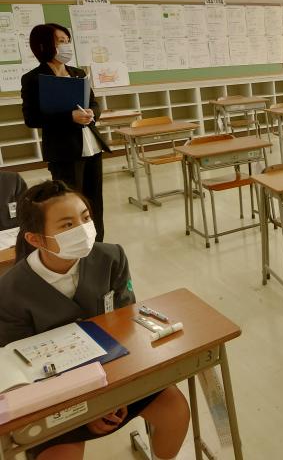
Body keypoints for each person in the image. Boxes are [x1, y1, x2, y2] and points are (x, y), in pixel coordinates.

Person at [0, 180, 189, 460]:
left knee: (176, 412)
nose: (83, 229)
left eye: (85, 218)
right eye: (67, 225)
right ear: (36, 239)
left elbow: (126, 326)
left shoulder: (111, 257)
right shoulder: (10, 291)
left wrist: (114, 394)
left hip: (118, 375)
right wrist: (89, 407)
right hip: (57, 399)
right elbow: (22, 371)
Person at [21, 24, 109, 242]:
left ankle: (97, 243)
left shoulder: (78, 73)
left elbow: (94, 103)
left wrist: (92, 113)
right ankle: (77, 244)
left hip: (92, 146)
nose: (66, 45)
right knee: (70, 202)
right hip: (64, 151)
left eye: (67, 41)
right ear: (43, 45)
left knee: (94, 201)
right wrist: (69, 117)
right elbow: (32, 118)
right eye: (60, 41)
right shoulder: (33, 78)